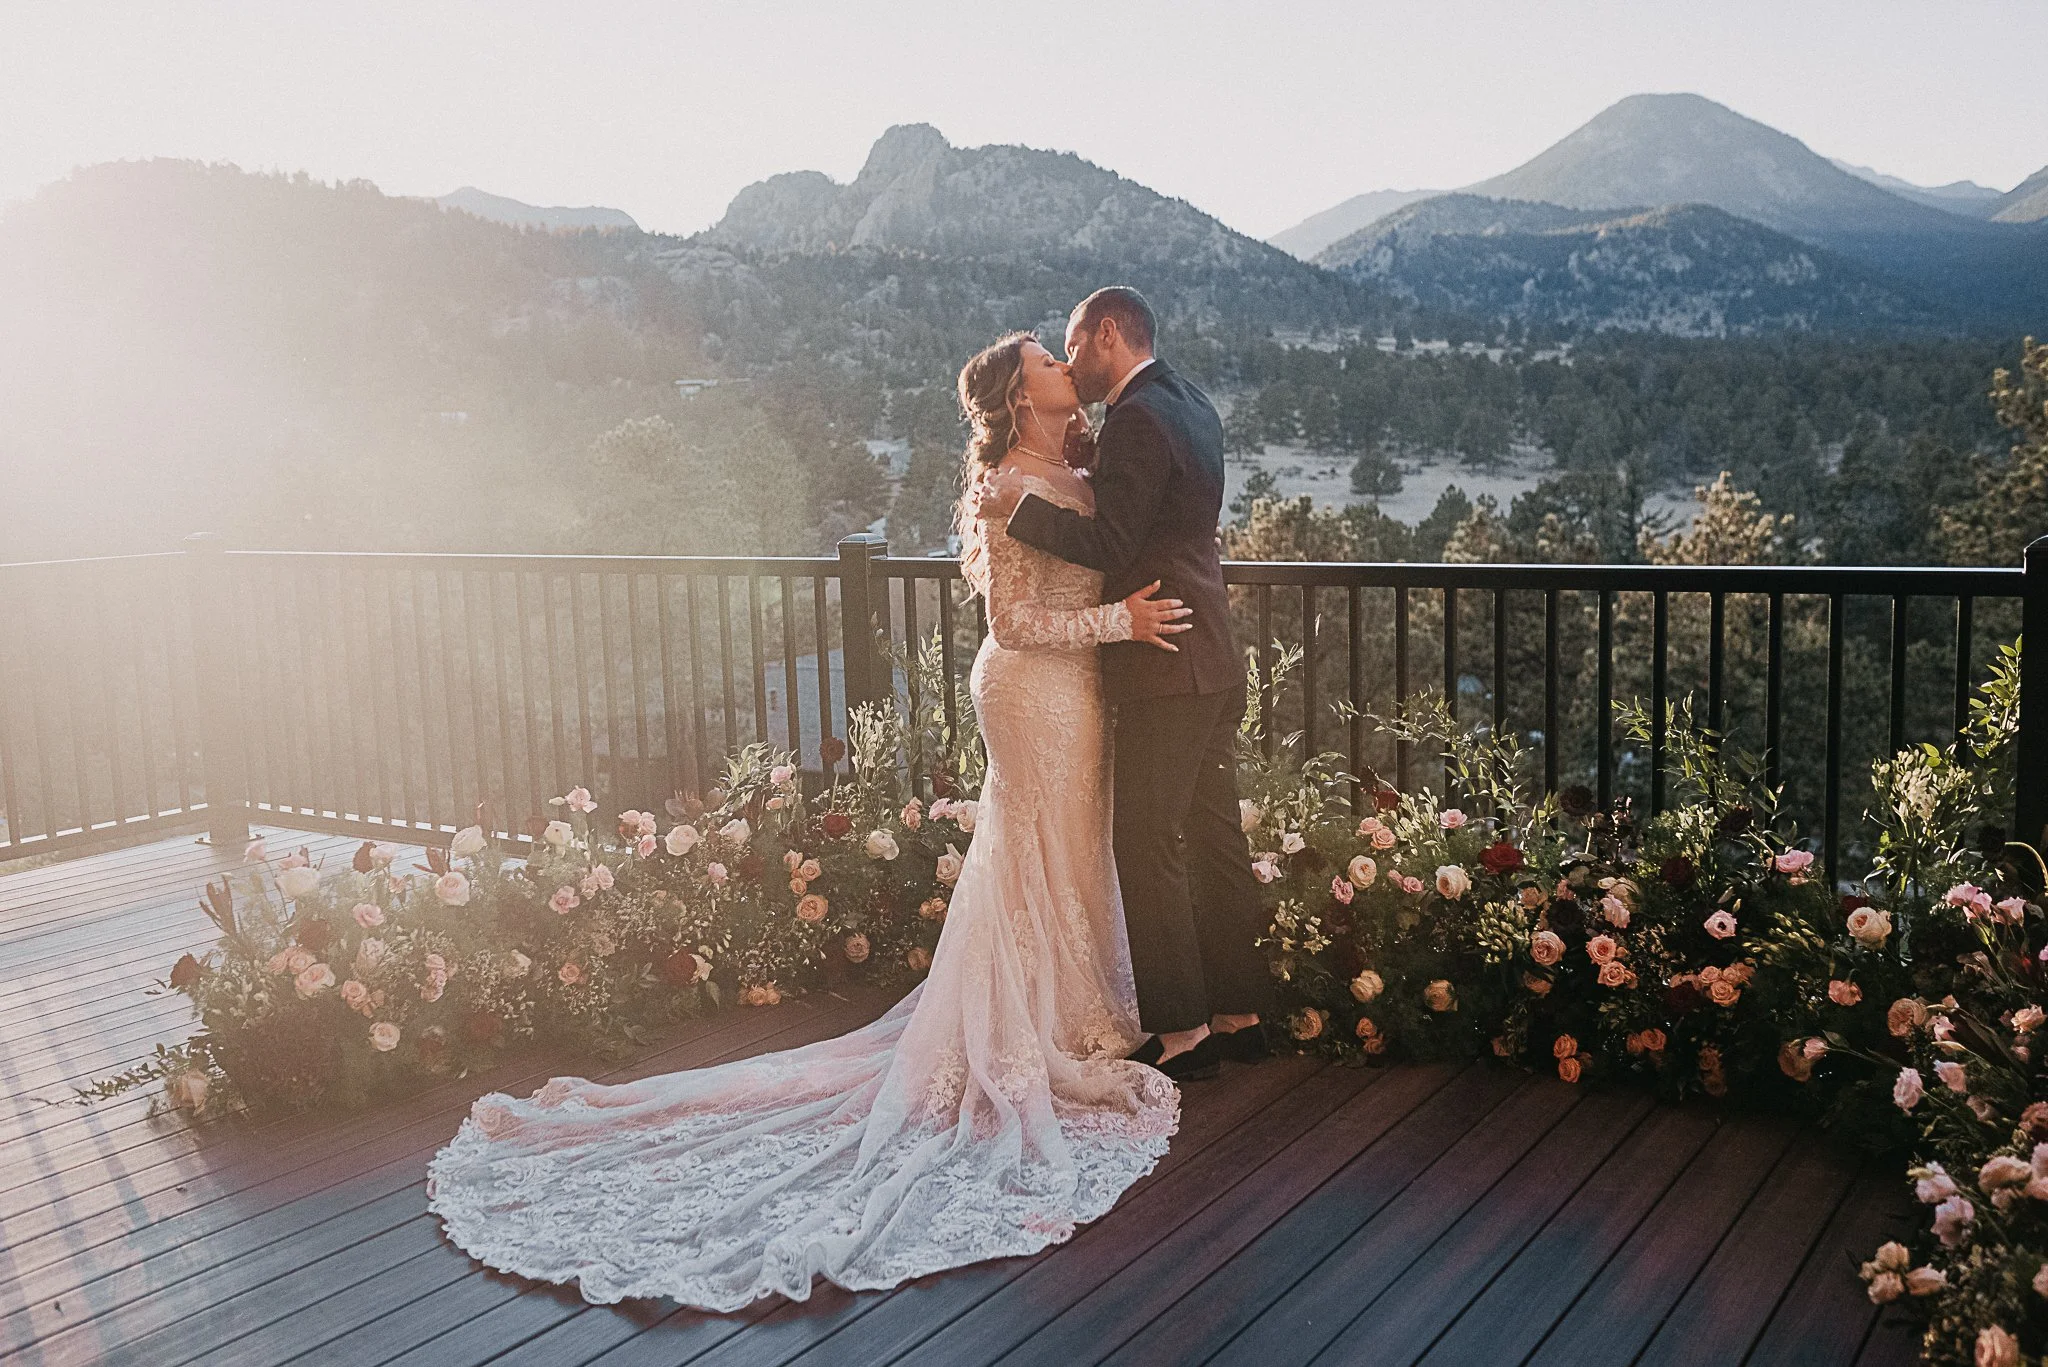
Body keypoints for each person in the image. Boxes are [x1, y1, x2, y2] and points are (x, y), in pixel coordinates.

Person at [428, 331, 1195, 1310]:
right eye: (1048, 359)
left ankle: (1080, 1014)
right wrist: (1112, 622)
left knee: (1070, 849)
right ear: (1015, 394)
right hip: (1032, 685)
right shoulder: (999, 484)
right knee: (1029, 852)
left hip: (1082, 692)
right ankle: (1028, 1030)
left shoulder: (1073, 464)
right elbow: (1010, 623)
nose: (1063, 366)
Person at [972, 285, 1274, 1079]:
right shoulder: (1191, 401)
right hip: (1210, 653)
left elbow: (1111, 539)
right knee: (1213, 835)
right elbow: (1167, 515)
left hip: (1160, 661)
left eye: (1071, 346)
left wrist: (1020, 508)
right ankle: (1243, 1010)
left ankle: (1182, 1031)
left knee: (1146, 840)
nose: (1069, 363)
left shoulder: (1136, 418)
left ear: (1107, 333)